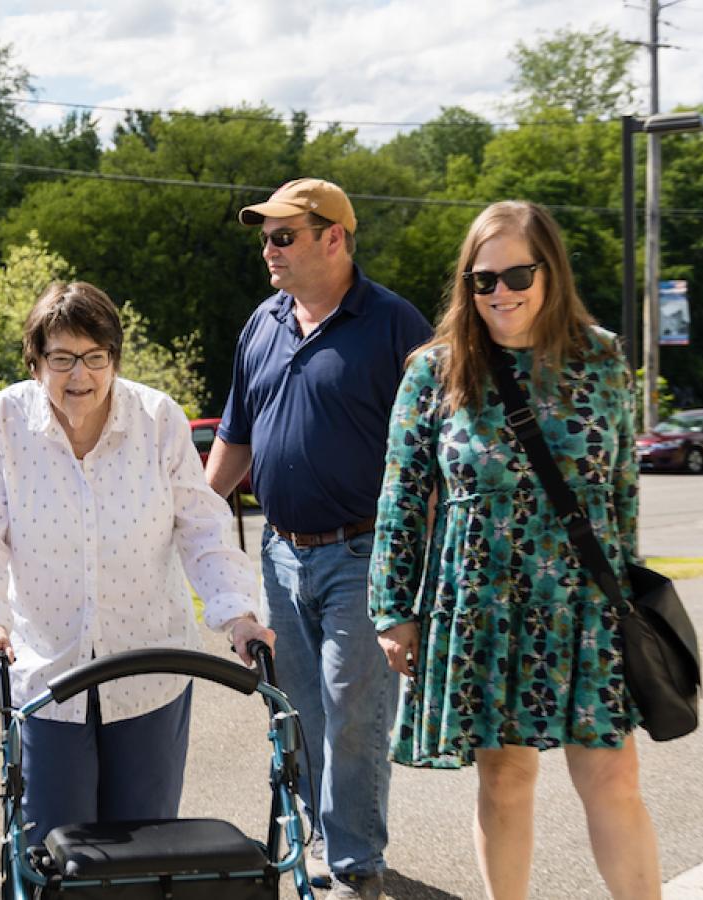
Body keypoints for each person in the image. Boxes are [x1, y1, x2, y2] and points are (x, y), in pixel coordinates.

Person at [369, 200, 661, 899]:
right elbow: (401, 500)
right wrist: (391, 609)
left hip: (586, 608)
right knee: (504, 778)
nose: (501, 292)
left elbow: (622, 496)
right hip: (484, 605)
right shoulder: (436, 372)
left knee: (614, 778)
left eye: (516, 273)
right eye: (483, 279)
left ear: (550, 270)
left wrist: (630, 605)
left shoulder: (604, 362)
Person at [0, 280, 274, 846]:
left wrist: (238, 616)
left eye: (96, 358)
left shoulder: (156, 419)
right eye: (63, 359)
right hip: (47, 672)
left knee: (144, 849)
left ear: (115, 359)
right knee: (54, 848)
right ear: (34, 362)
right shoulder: (1, 422)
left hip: (150, 670)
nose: (81, 376)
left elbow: (202, 527)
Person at [205, 178, 432, 900]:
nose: (268, 250)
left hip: (364, 556)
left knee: (353, 720)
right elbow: (234, 440)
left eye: (283, 236)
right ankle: (320, 846)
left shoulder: (395, 326)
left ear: (334, 237)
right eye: (265, 237)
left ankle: (355, 867)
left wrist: (415, 581)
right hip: (280, 553)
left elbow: (432, 457)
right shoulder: (262, 324)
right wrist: (185, 518)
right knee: (296, 714)